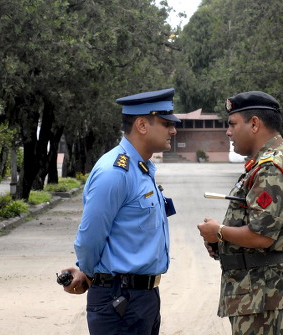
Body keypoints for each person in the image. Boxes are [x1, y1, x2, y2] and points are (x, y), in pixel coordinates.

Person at [60, 88, 180, 335]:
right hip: (119, 299)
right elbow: (90, 238)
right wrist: (89, 272)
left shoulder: (142, 168)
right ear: (141, 125)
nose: (173, 130)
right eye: (166, 124)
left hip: (143, 298)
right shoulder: (115, 172)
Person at [197, 91, 283, 335]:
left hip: (265, 296)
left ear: (254, 123)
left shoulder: (271, 167)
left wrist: (220, 232)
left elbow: (262, 236)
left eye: (232, 124)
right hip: (258, 293)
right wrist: (220, 242)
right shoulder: (268, 161)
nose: (228, 132)